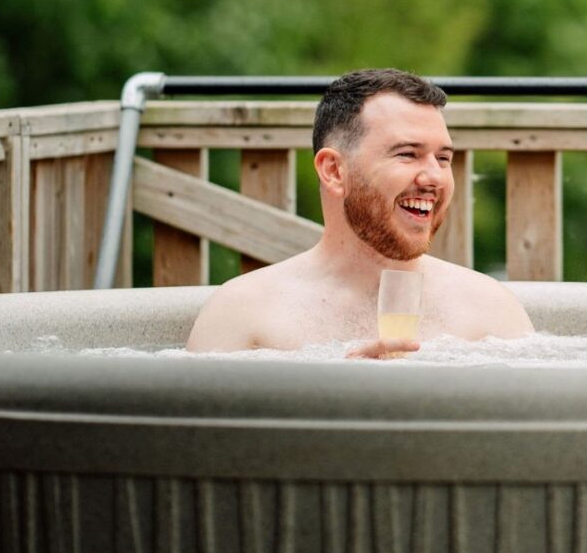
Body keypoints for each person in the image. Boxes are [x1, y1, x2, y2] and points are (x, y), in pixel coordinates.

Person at [186, 69, 534, 357]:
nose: (433, 177)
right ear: (334, 171)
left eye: (443, 158)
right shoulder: (244, 314)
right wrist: (337, 394)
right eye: (407, 154)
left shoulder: (490, 311)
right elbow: (200, 438)